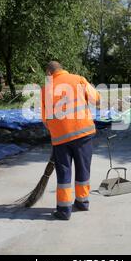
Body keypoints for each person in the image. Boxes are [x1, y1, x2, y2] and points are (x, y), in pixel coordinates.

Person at [41, 61, 100, 220]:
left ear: (49, 73)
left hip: (60, 139)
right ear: (61, 69)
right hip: (83, 134)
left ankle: (64, 210)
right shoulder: (78, 79)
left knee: (64, 174)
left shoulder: (46, 88)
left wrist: (58, 129)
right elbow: (96, 99)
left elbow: (45, 119)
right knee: (83, 169)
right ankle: (82, 202)